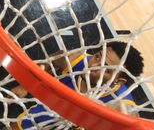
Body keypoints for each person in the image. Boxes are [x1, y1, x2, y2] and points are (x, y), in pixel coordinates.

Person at [10, 41, 145, 129]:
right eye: (97, 56)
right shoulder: (76, 59)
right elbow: (49, 61)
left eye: (105, 68)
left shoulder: (122, 105)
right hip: (45, 115)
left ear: (118, 81)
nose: (92, 65)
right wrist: (25, 85)